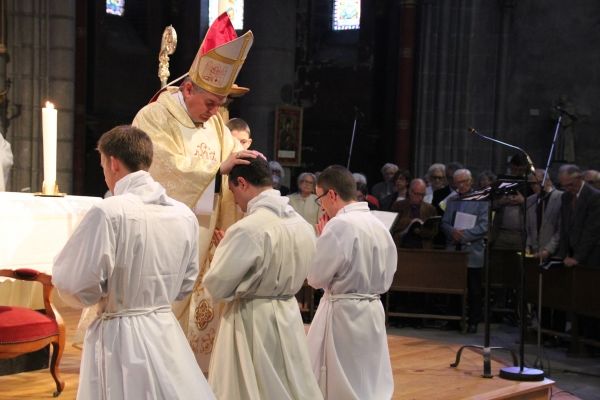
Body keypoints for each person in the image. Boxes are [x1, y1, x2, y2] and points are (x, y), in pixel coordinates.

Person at [132, 13, 258, 371]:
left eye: (220, 104)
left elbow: (227, 179)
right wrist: (217, 168)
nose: (216, 112)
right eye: (210, 103)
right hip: (164, 236)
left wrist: (231, 230)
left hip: (205, 234)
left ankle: (191, 372)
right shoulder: (154, 117)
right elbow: (159, 169)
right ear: (188, 88)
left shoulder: (217, 123)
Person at [52, 125, 215, 399]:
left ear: (113, 162)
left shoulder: (109, 211)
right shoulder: (183, 214)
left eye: (103, 165)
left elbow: (76, 285)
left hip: (120, 337)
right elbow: (185, 284)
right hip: (164, 329)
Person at [203, 157, 322, 400]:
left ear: (243, 183)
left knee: (250, 387)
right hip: (288, 313)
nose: (235, 201)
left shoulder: (247, 229)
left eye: (233, 191)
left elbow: (216, 285)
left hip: (250, 318)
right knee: (290, 380)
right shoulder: (302, 224)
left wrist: (225, 249)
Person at [307, 165, 397, 399]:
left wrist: (323, 238)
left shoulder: (338, 225)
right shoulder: (379, 224)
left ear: (332, 195)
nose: (321, 205)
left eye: (320, 198)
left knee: (341, 381)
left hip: (343, 314)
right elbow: (389, 272)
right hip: (373, 309)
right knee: (367, 376)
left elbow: (316, 278)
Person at [441, 169, 488, 333]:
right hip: (454, 249)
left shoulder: (481, 201)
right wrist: (452, 231)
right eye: (457, 182)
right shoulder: (452, 200)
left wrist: (463, 236)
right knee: (454, 286)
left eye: (463, 182)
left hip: (472, 250)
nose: (460, 185)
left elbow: (484, 226)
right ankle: (453, 320)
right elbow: (444, 222)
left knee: (474, 288)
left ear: (470, 181)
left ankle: (473, 321)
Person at [557, 164, 600, 267]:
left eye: (570, 185)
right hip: (571, 253)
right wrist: (562, 254)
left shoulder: (594, 196)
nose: (567, 188)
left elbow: (592, 230)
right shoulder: (565, 197)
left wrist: (577, 257)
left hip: (591, 254)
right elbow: (564, 227)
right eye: (564, 186)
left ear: (579, 178)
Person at [390, 178, 438, 248]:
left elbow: (434, 231)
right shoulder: (398, 206)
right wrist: (410, 222)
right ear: (410, 192)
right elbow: (393, 227)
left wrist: (420, 229)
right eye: (417, 194)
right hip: (402, 245)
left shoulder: (430, 209)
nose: (420, 198)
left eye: (423, 195)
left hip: (423, 246)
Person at [525, 169, 562, 260]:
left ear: (548, 181)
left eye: (537, 183)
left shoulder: (561, 197)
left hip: (555, 252)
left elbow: (561, 229)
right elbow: (529, 227)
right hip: (535, 252)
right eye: (531, 184)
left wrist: (548, 250)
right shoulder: (530, 200)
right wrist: (528, 245)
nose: (534, 186)